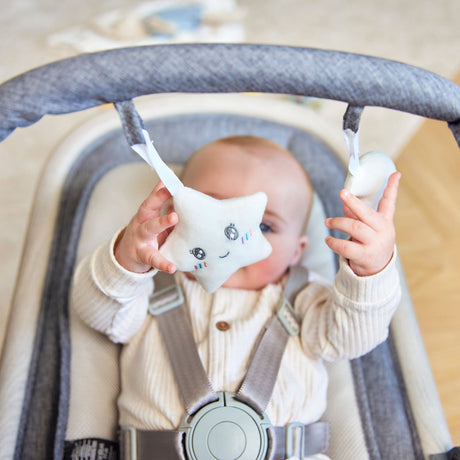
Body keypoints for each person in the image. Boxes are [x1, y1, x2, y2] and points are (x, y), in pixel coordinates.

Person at [71, 135, 401, 459]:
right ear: (172, 219)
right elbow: (96, 311)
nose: (230, 241)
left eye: (265, 227)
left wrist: (369, 272)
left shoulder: (305, 298)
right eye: (209, 212)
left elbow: (352, 337)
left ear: (296, 252)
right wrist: (127, 262)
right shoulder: (150, 287)